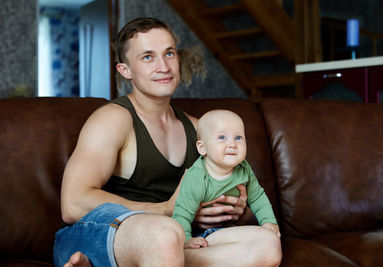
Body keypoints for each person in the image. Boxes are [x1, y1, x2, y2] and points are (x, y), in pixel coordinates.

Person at [53, 17, 282, 267]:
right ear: (125, 70)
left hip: (177, 237)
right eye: (148, 57)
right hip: (103, 233)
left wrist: (238, 209)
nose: (164, 66)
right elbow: (72, 203)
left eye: (169, 53)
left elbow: (242, 193)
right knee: (165, 235)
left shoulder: (198, 129)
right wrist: (166, 208)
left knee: (267, 244)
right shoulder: (113, 119)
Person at [172, 110, 281, 249]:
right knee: (262, 243)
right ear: (202, 147)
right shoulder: (198, 177)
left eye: (238, 138)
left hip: (231, 228)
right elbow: (182, 213)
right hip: (201, 235)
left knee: (268, 241)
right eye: (222, 137)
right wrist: (186, 240)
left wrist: (269, 222)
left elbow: (258, 197)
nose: (233, 144)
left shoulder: (243, 168)